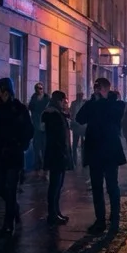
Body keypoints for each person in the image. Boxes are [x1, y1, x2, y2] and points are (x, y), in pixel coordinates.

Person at [77, 78, 127, 234]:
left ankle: (115, 217)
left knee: (112, 186)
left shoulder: (116, 104)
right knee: (97, 188)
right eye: (95, 88)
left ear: (106, 89)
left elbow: (113, 113)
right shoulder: (93, 104)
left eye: (99, 88)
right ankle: (100, 220)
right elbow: (80, 118)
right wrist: (92, 101)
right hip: (95, 151)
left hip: (110, 151)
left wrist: (102, 100)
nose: (96, 91)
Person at [0, 78, 32, 236]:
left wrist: (21, 145)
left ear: (9, 92)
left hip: (14, 154)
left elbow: (29, 130)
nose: (2, 95)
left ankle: (8, 223)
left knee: (11, 189)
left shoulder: (19, 108)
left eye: (4, 91)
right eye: (0, 92)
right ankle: (14, 208)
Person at [42, 90, 74, 225]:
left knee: (58, 185)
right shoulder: (53, 114)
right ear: (59, 101)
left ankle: (56, 211)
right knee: (55, 185)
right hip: (57, 154)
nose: (65, 103)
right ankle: (52, 213)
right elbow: (58, 136)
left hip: (60, 153)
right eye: (64, 101)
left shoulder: (57, 114)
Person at [28, 82, 49, 177]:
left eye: (40, 88)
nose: (39, 90)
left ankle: (45, 166)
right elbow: (30, 108)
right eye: (37, 88)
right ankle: (37, 165)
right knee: (37, 147)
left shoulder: (46, 98)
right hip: (36, 126)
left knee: (45, 148)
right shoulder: (33, 98)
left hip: (45, 127)